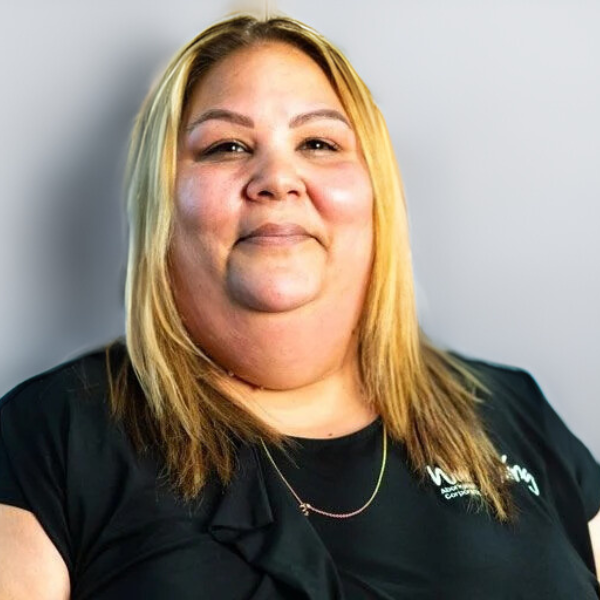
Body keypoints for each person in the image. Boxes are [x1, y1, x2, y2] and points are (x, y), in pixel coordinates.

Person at [1, 12, 599, 600]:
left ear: (374, 193)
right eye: (228, 145)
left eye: (318, 142)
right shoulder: (50, 438)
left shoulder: (514, 413)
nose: (277, 178)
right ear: (163, 202)